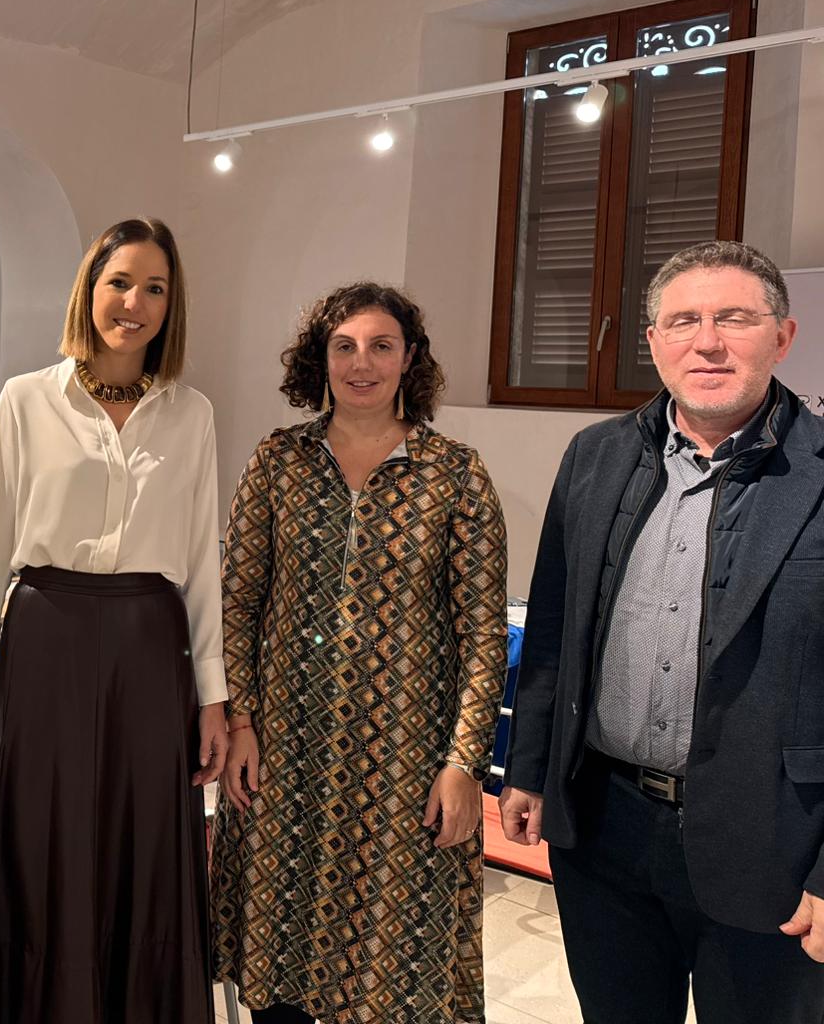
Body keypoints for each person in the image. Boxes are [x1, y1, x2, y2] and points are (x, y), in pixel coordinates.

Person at [501, 241, 824, 1022]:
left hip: (773, 850)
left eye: (734, 318)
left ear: (782, 336)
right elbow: (552, 628)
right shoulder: (595, 456)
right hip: (605, 834)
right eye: (683, 321)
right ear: (652, 343)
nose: (707, 341)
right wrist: (530, 768)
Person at [0, 217, 228, 1023]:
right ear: (89, 290)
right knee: (37, 841)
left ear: (173, 303)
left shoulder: (192, 413)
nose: (134, 302)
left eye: (154, 287)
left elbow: (203, 563)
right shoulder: (26, 400)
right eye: (119, 282)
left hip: (149, 650)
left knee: (139, 850)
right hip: (45, 642)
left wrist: (213, 698)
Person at [211, 283, 508, 1024]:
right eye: (343, 346)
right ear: (321, 360)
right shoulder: (279, 462)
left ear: (410, 359)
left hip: (407, 767)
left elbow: (481, 631)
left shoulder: (455, 474)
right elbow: (237, 603)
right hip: (283, 754)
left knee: (395, 971)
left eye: (381, 345)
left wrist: (465, 762)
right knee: (278, 964)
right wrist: (242, 722)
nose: (361, 362)